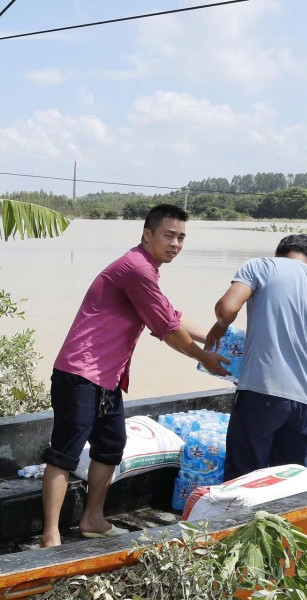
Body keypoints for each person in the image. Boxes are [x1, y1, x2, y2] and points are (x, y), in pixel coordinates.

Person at [39, 204, 229, 548]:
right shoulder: (136, 269)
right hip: (79, 372)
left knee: (111, 447)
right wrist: (204, 358)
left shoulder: (146, 270)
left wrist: (219, 340)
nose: (176, 243)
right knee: (64, 453)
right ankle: (50, 536)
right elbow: (168, 330)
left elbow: (171, 314)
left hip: (107, 376)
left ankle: (93, 519)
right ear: (147, 235)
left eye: (181, 237)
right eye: (169, 235)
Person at [208, 234, 307, 480]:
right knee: (285, 481)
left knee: (243, 477)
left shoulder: (262, 266)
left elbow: (227, 309)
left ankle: (240, 520)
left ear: (278, 253)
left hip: (262, 392)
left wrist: (220, 325)